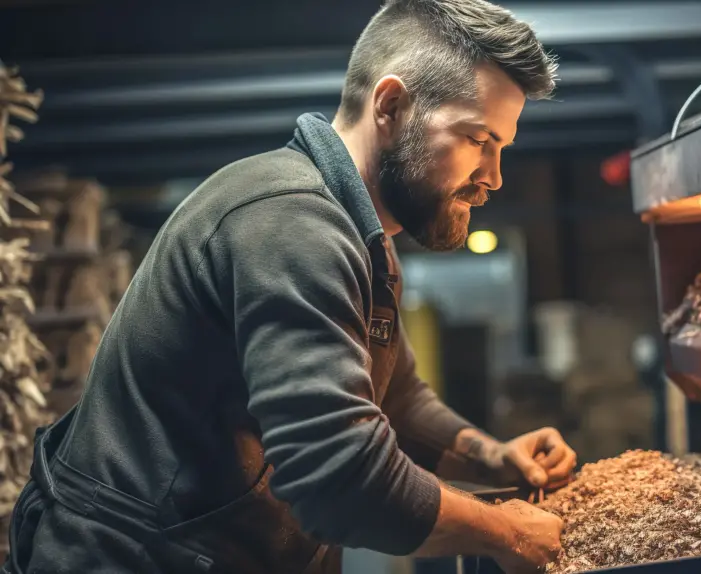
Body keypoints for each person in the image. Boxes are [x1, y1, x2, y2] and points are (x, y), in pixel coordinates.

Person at [3, 1, 575, 572]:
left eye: (502, 146)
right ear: (392, 105)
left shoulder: (360, 235)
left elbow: (394, 401)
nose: (494, 176)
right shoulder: (292, 223)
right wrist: (506, 531)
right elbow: (340, 479)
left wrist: (491, 457)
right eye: (478, 138)